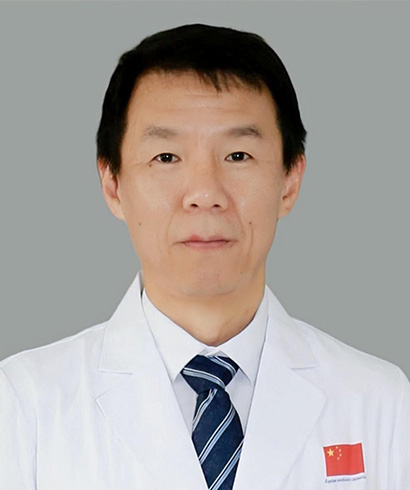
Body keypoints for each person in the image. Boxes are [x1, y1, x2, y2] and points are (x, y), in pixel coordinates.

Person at [1, 23, 409, 490]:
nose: (204, 193)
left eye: (238, 155)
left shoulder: (380, 402)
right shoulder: (24, 405)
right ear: (112, 184)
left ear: (290, 181)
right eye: (166, 157)